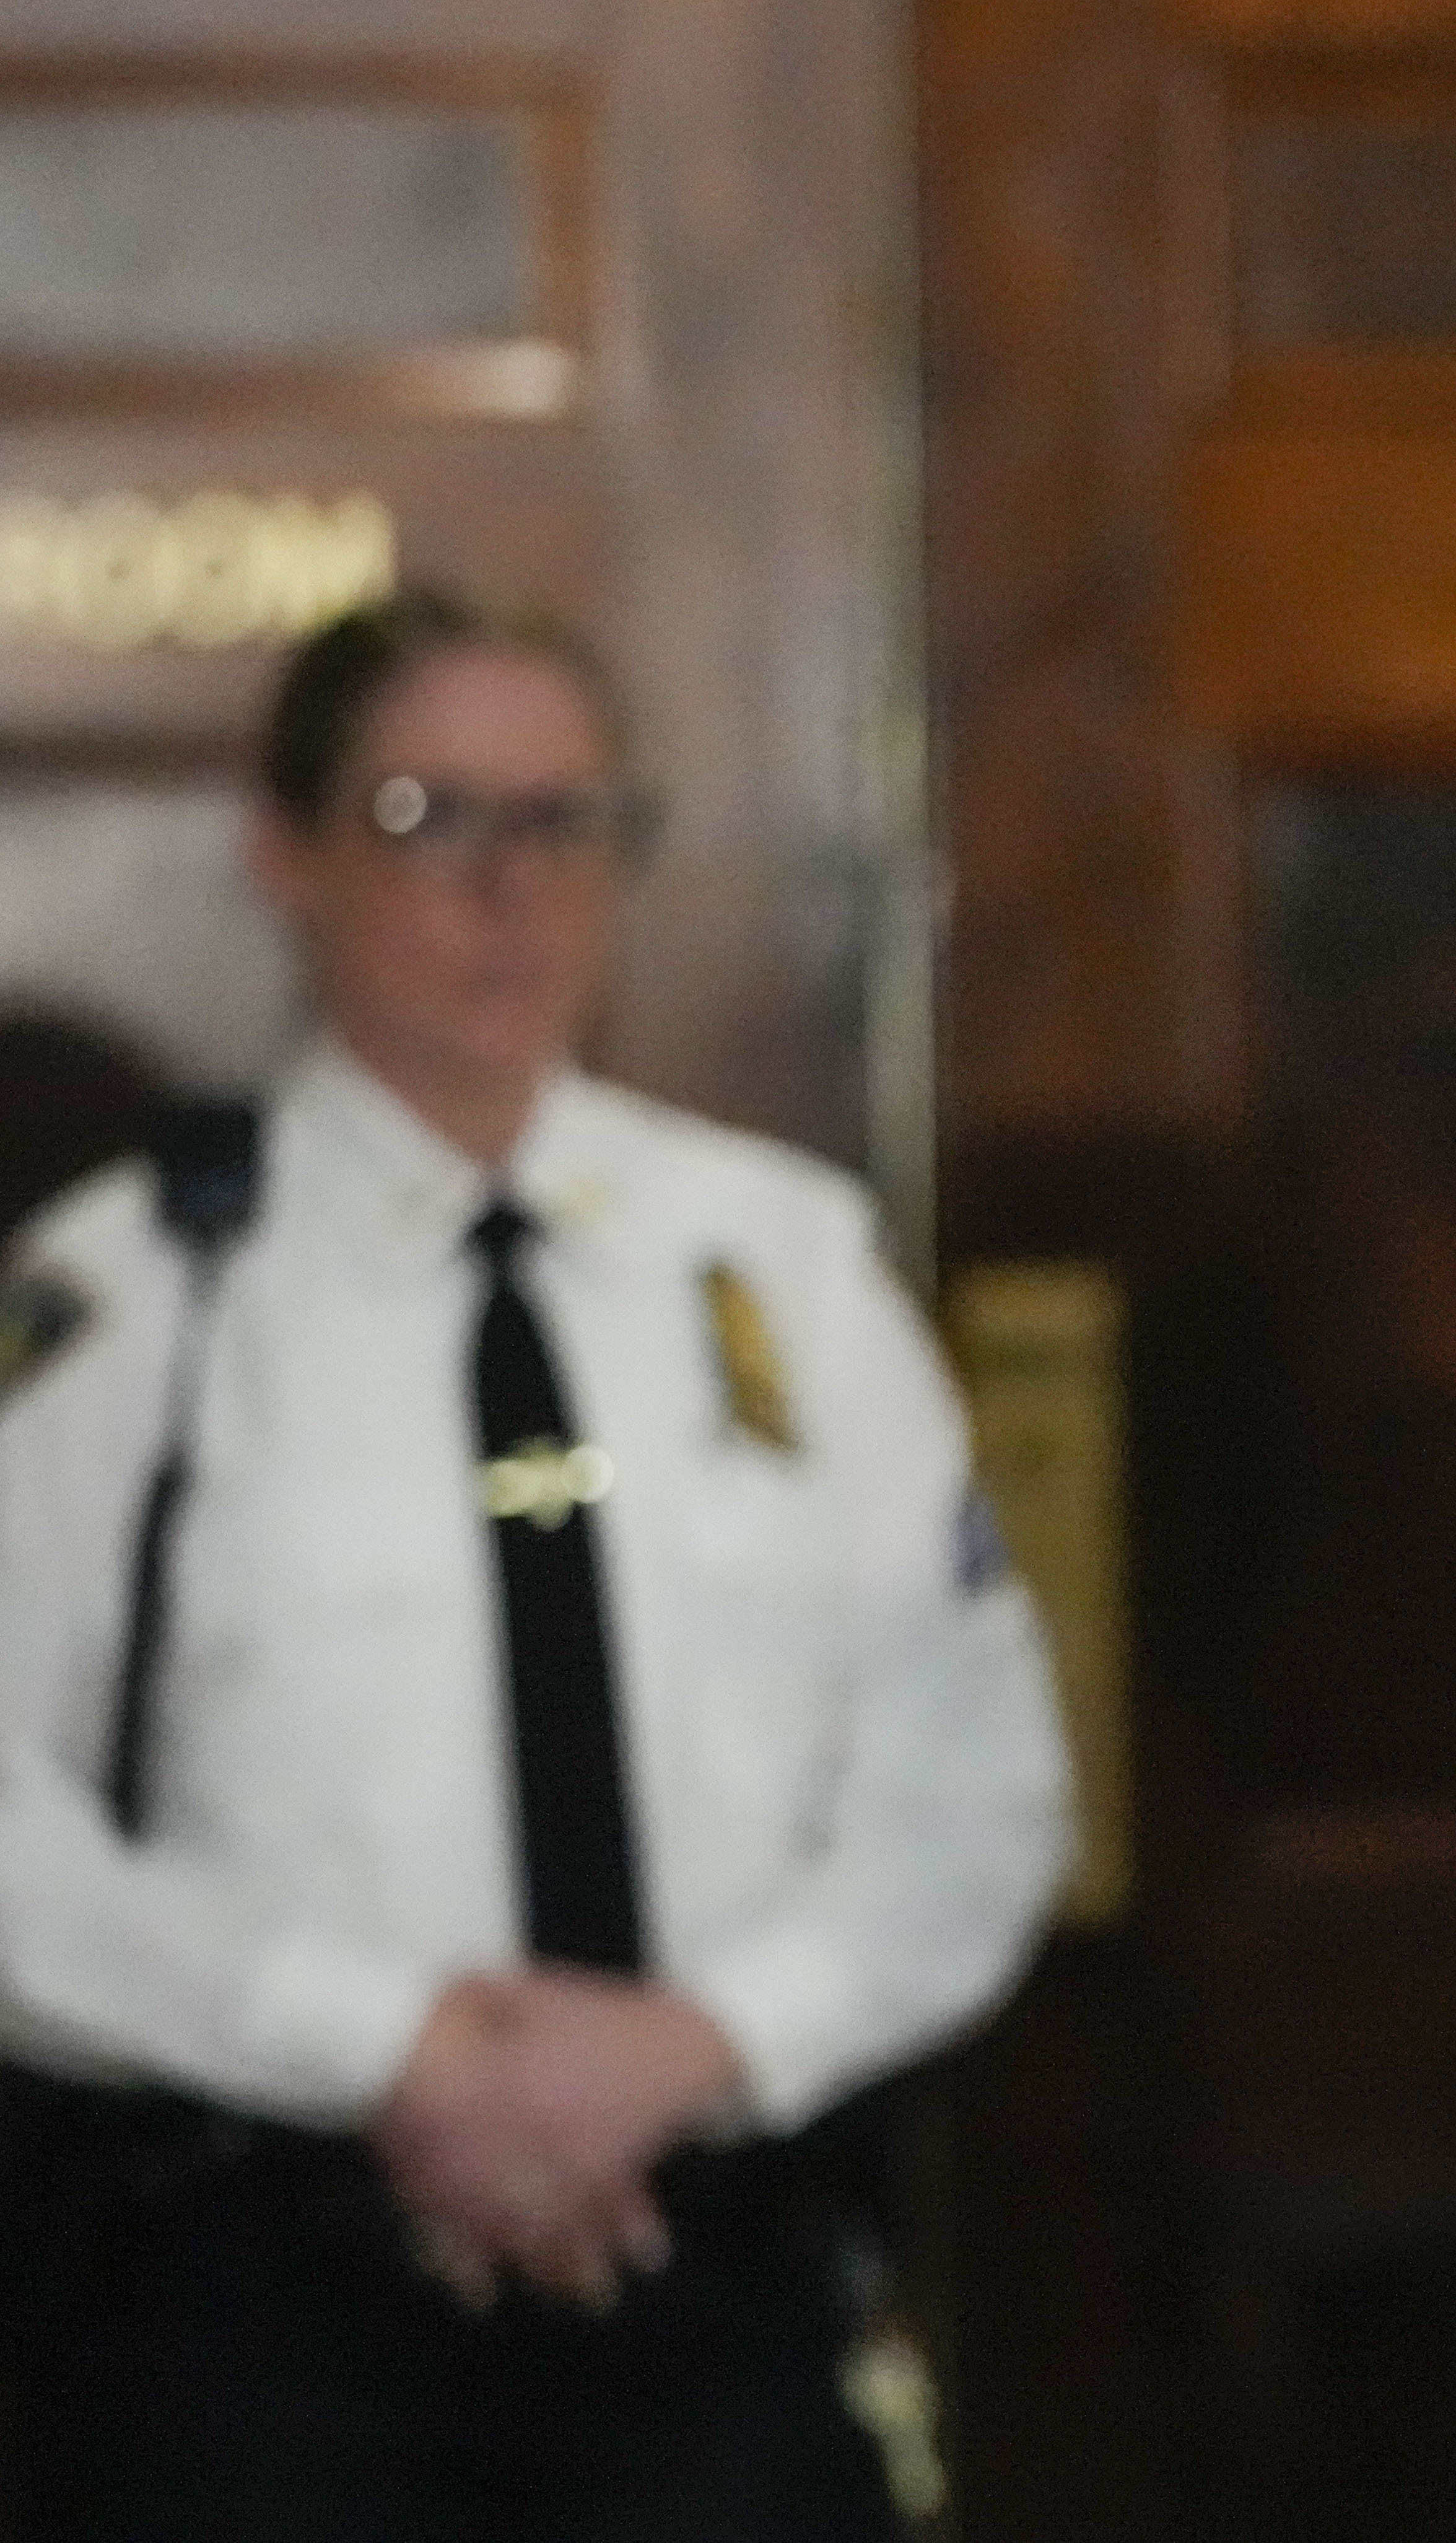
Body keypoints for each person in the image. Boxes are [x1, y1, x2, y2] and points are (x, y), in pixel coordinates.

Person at [0, 590, 1073, 2542]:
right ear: (288, 857)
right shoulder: (129, 1296)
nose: (511, 890)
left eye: (567, 822)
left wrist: (698, 2044)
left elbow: (975, 1783)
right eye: (430, 820)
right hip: (267, 2313)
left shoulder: (785, 1269)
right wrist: (384, 2044)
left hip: (715, 2274)